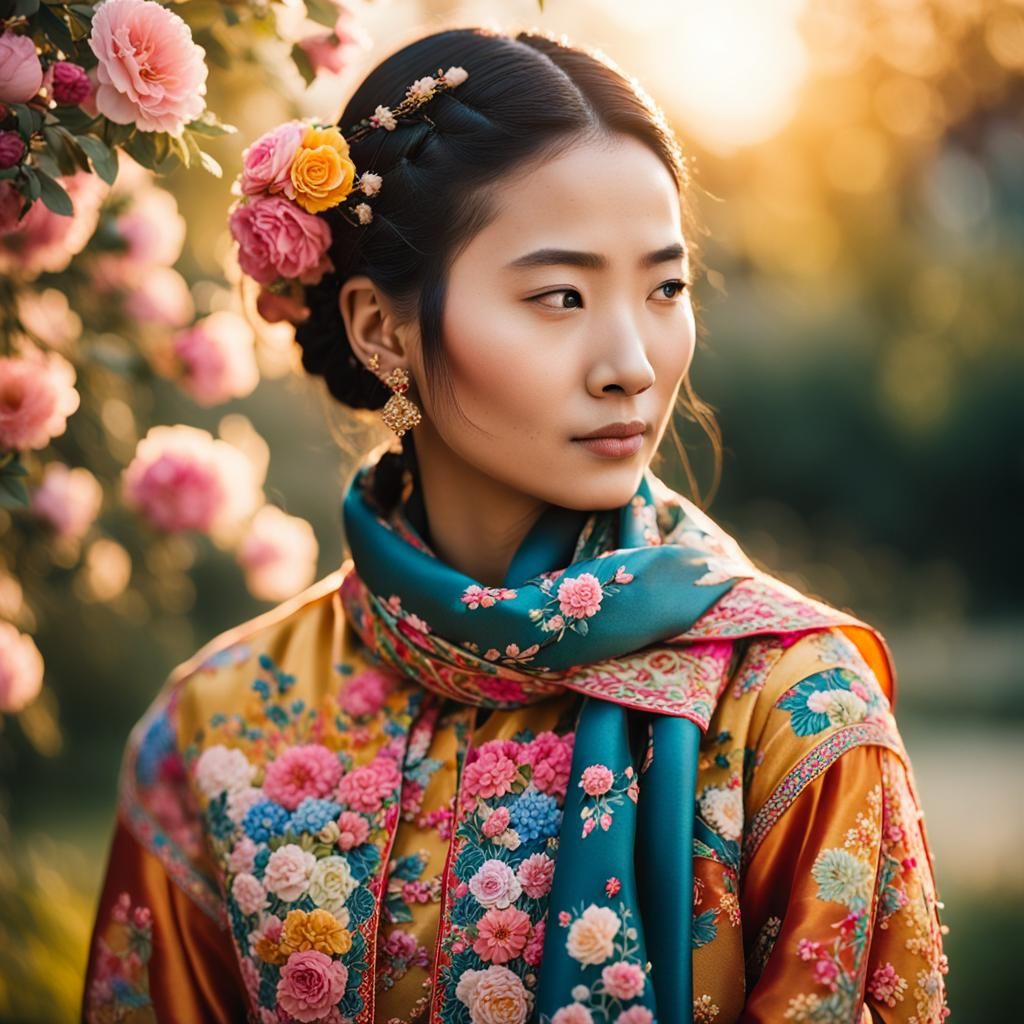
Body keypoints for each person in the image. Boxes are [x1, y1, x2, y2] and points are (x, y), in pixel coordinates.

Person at [81, 26, 950, 1024]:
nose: (630, 359)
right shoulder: (216, 731)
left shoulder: (792, 716)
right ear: (378, 329)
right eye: (560, 295)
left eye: (663, 287)